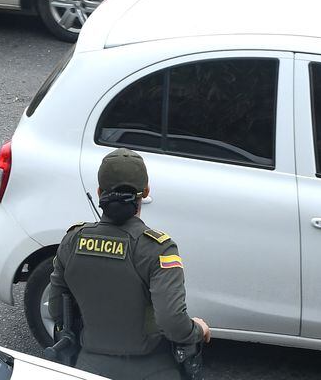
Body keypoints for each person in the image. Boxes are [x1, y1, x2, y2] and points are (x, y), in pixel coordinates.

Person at [47, 148, 212, 379]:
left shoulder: (72, 241)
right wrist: (197, 329)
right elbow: (171, 321)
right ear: (145, 192)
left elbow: (56, 309)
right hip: (152, 368)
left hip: (88, 367)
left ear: (99, 192)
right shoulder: (159, 249)